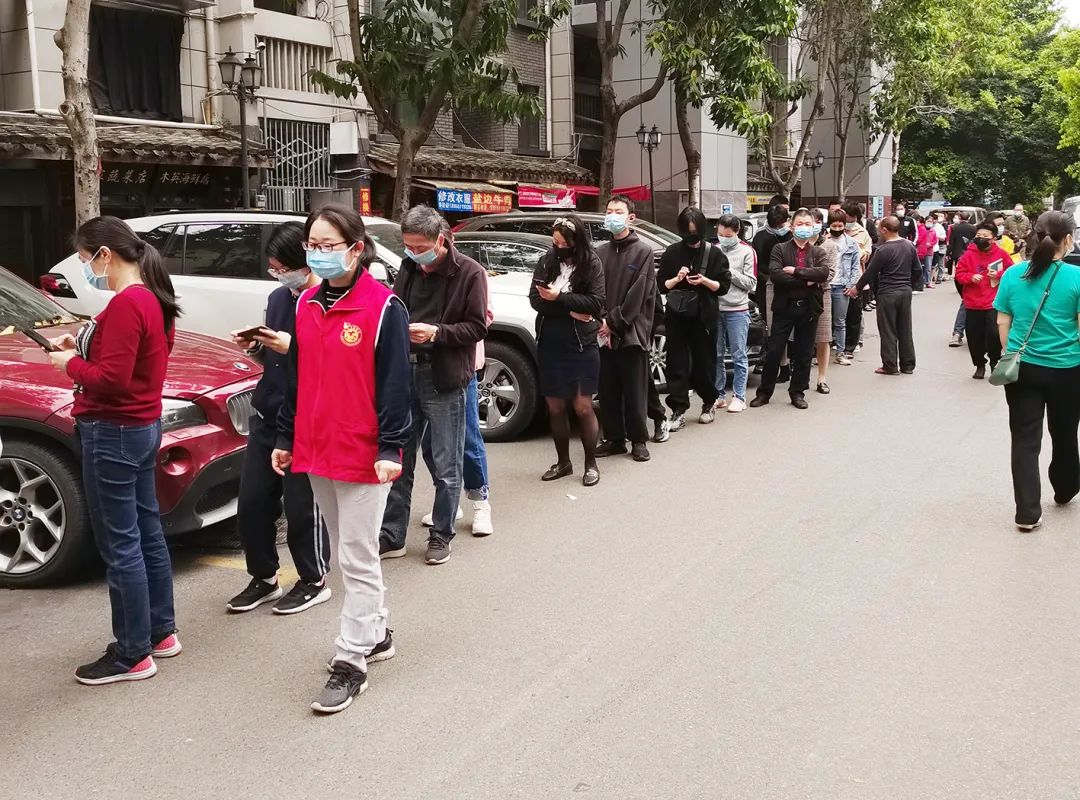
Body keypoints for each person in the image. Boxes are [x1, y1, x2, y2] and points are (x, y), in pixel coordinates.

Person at [274, 204, 411, 714]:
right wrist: (286, 436)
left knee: (356, 556)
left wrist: (391, 447)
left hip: (363, 452)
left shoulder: (384, 308)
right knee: (345, 552)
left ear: (356, 249)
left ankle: (351, 660)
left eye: (328, 245)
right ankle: (376, 634)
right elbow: (297, 378)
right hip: (316, 447)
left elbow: (396, 385)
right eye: (312, 245)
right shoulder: (307, 303)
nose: (317, 254)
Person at [48, 216, 181, 685]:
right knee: (146, 533)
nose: (87, 268)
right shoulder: (151, 297)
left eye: (86, 259)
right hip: (140, 427)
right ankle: (160, 632)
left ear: (105, 255)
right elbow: (131, 360)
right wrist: (81, 344)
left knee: (121, 543)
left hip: (113, 431)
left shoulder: (128, 303)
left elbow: (112, 379)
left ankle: (131, 653)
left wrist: (70, 364)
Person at [227, 222, 331, 615]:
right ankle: (264, 576)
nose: (279, 275)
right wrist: (256, 346)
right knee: (253, 502)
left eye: (283, 268)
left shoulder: (326, 300)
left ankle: (313, 579)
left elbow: (334, 363)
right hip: (269, 410)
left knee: (302, 506)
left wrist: (295, 348)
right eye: (273, 269)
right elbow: (273, 357)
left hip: (308, 416)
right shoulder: (278, 298)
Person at [379, 206, 488, 566]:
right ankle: (392, 533)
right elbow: (395, 310)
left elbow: (477, 326)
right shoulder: (409, 268)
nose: (414, 253)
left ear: (440, 240)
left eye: (420, 247)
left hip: (444, 376)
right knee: (399, 458)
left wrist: (437, 333)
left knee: (446, 463)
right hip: (405, 373)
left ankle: (442, 534)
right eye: (408, 246)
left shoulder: (469, 272)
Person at [993, 210, 1080, 531]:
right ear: (1068, 239)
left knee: (1024, 439)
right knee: (1065, 432)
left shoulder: (1013, 274)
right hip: (1068, 370)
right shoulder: (1076, 277)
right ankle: (1066, 487)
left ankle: (1027, 513)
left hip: (1023, 368)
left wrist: (1011, 353)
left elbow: (1003, 321)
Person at [420, 246, 495, 537]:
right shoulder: (418, 273)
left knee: (467, 440)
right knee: (431, 444)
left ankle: (480, 502)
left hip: (460, 370)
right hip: (426, 368)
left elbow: (483, 318)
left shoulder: (470, 274)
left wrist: (439, 329)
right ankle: (448, 501)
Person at [529, 215, 606, 486]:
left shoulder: (592, 263)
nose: (558, 247)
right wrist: (570, 309)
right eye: (555, 242)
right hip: (550, 342)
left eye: (563, 243)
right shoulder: (547, 261)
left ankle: (591, 464)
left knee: (583, 406)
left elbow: (595, 303)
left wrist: (559, 298)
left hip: (581, 345)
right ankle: (563, 462)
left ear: (576, 241)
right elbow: (536, 300)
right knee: (555, 406)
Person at [657, 207, 731, 428]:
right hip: (677, 315)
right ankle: (678, 408)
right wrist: (677, 278)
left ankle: (709, 402)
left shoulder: (714, 253)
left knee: (704, 362)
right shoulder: (672, 252)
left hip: (704, 316)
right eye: (687, 232)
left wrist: (704, 281)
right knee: (676, 363)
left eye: (695, 231)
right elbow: (661, 285)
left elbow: (723, 287)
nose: (691, 236)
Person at [596, 195, 657, 462]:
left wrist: (613, 322)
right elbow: (594, 290)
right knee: (607, 389)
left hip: (631, 331)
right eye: (609, 211)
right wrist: (601, 321)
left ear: (631, 217)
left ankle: (639, 439)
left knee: (634, 390)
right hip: (603, 331)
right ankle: (614, 438)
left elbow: (638, 294)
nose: (612, 215)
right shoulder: (600, 252)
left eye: (618, 211)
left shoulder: (643, 252)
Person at [750, 208, 830, 409]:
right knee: (774, 351)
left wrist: (796, 271)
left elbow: (823, 273)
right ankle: (764, 392)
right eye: (800, 224)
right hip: (784, 307)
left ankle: (797, 392)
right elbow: (776, 275)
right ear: (791, 226)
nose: (804, 227)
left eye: (808, 224)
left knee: (804, 353)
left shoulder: (818, 252)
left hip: (809, 308)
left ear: (814, 227)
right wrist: (807, 279)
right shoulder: (780, 249)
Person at [848, 216, 920, 375]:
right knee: (905, 328)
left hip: (888, 292)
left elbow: (870, 273)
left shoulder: (883, 250)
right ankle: (908, 364)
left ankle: (890, 365)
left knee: (888, 329)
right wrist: (908, 284)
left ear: (884, 230)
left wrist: (856, 289)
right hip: (905, 291)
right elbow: (918, 270)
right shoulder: (909, 245)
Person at [956, 221, 1015, 379]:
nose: (981, 238)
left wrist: (998, 275)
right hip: (973, 304)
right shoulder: (968, 255)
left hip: (993, 303)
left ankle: (994, 361)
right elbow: (959, 275)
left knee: (994, 335)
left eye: (985, 236)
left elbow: (1012, 273)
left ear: (993, 239)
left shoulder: (1002, 255)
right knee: (974, 337)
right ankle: (979, 364)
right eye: (978, 235)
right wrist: (970, 277)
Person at [714, 214, 758, 413]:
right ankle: (719, 395)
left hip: (737, 309)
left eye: (728, 235)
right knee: (716, 354)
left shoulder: (747, 251)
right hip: (716, 309)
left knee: (739, 354)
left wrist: (729, 272)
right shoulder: (714, 249)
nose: (724, 238)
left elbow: (751, 283)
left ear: (737, 232)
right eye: (721, 234)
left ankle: (739, 396)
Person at [752, 204, 793, 380]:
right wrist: (769, 278)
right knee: (770, 326)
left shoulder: (792, 235)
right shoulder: (761, 236)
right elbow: (757, 264)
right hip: (767, 286)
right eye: (775, 225)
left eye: (781, 224)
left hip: (791, 286)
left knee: (788, 327)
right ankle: (771, 362)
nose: (778, 228)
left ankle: (788, 363)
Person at [821, 210, 861, 368]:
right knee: (822, 322)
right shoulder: (823, 241)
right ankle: (820, 354)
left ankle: (840, 353)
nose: (837, 228)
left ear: (844, 225)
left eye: (840, 226)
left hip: (841, 287)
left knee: (840, 321)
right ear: (829, 225)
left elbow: (855, 266)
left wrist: (851, 285)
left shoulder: (851, 243)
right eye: (834, 226)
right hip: (825, 285)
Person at [809, 208, 837, 393]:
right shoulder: (796, 244)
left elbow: (831, 272)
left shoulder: (829, 245)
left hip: (822, 292)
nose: (812, 226)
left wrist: (809, 278)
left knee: (823, 337)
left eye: (817, 222)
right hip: (798, 293)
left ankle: (822, 378)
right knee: (801, 336)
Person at [840, 202, 872, 359]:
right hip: (837, 279)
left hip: (855, 280)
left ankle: (851, 346)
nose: (849, 221)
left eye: (852, 218)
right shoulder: (833, 230)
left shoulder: (862, 233)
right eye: (846, 217)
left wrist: (856, 249)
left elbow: (866, 256)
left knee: (854, 314)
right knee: (838, 315)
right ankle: (837, 342)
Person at [947, 211, 977, 347]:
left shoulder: (999, 253)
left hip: (990, 289)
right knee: (966, 302)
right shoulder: (973, 230)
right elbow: (959, 277)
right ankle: (958, 333)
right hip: (970, 281)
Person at [916, 212, 938, 290]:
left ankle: (928, 282)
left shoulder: (933, 231)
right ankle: (920, 281)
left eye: (931, 221)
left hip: (929, 251)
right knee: (920, 267)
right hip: (921, 251)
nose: (929, 223)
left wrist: (930, 244)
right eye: (928, 221)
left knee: (928, 268)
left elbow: (935, 240)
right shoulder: (921, 229)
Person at [931, 212, 948, 283]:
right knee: (932, 263)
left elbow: (944, 237)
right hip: (931, 246)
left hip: (940, 246)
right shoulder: (929, 226)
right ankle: (931, 277)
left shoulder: (940, 226)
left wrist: (936, 236)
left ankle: (939, 277)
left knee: (940, 262)